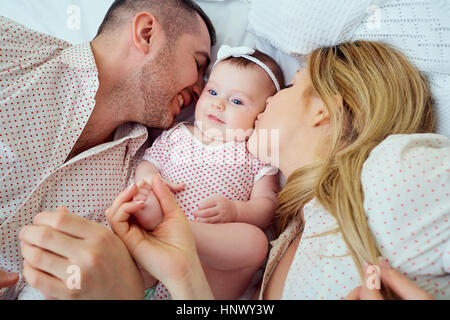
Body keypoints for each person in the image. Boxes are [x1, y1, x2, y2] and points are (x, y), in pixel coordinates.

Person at [105, 40, 449, 299]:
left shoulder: (394, 170)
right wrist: (180, 277)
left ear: (324, 109)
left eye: (289, 87)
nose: (269, 101)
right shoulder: (291, 233)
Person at [0, 0, 216, 299]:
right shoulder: (13, 51)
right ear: (146, 33)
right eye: (198, 63)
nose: (201, 92)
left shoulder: (139, 182)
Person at [132, 45, 283, 299]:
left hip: (203, 281)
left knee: (255, 242)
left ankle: (172, 229)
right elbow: (148, 163)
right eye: (212, 91)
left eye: (236, 101)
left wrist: (237, 211)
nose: (218, 104)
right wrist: (149, 180)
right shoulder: (178, 134)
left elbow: (267, 206)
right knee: (140, 202)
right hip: (147, 269)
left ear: (262, 115)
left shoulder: (256, 153)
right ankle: (161, 229)